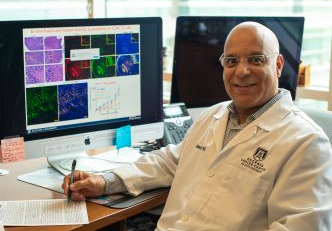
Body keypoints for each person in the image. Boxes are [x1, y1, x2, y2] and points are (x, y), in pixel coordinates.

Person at [63, 21, 332, 230]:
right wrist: (104, 181)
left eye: (256, 59)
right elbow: (170, 162)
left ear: (278, 65)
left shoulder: (305, 142)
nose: (242, 71)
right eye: (232, 61)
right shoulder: (213, 115)